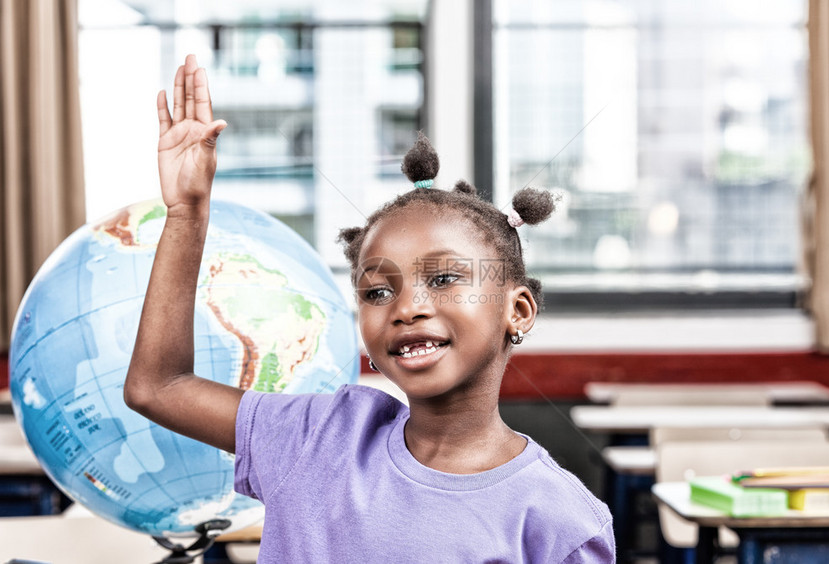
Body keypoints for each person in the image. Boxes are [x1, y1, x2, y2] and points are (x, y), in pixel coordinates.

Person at [126, 54, 615, 563]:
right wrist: (186, 213)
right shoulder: (318, 437)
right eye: (377, 292)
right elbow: (157, 388)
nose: (406, 308)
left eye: (444, 278)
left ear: (517, 311)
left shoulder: (559, 522)